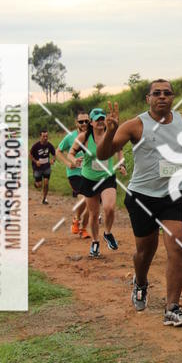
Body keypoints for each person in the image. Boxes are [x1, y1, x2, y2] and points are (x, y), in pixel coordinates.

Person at [98, 79, 182, 324]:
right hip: (143, 197)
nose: (162, 97)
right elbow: (103, 154)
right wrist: (110, 131)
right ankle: (141, 281)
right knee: (144, 252)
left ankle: (172, 308)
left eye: (167, 93)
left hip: (175, 194)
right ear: (147, 98)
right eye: (156, 93)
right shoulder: (135, 125)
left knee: (178, 247)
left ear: (173, 97)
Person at [67, 108, 126, 258]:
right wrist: (74, 161)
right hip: (89, 179)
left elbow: (119, 150)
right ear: (91, 123)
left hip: (107, 177)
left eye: (102, 118)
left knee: (109, 208)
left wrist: (121, 164)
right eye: (97, 119)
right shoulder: (84, 137)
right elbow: (71, 153)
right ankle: (95, 242)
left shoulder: (111, 134)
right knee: (93, 214)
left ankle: (107, 233)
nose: (100, 121)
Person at [56, 110, 91, 238]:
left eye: (86, 121)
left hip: (91, 173)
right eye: (81, 121)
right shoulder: (70, 137)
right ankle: (77, 219)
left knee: (91, 203)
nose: (84, 123)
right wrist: (68, 162)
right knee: (85, 199)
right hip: (75, 173)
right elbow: (58, 151)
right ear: (76, 123)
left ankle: (83, 228)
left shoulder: (93, 136)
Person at [30, 130, 56, 204]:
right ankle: (36, 183)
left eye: (46, 136)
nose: (45, 138)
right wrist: (36, 161)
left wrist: (52, 160)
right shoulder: (36, 145)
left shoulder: (49, 145)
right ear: (40, 136)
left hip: (46, 166)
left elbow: (54, 154)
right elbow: (30, 155)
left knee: (46, 182)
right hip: (37, 167)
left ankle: (44, 199)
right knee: (39, 185)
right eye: (43, 136)